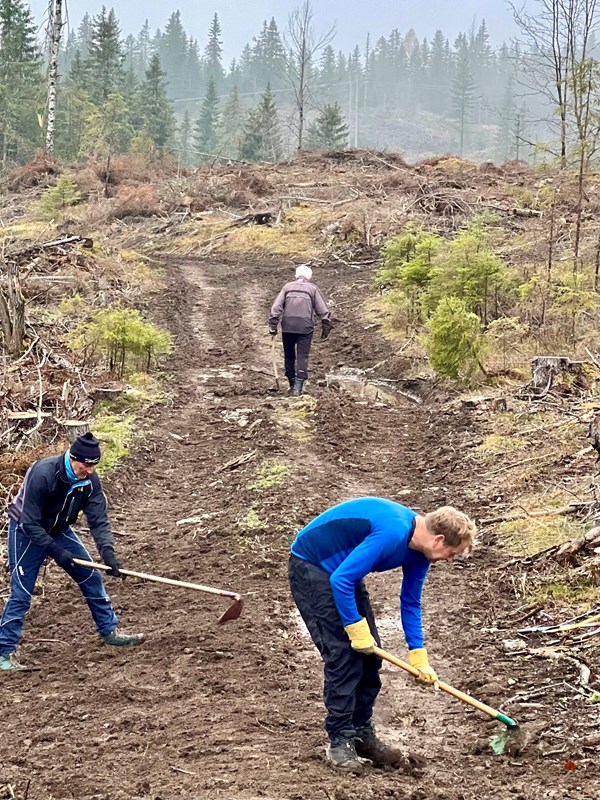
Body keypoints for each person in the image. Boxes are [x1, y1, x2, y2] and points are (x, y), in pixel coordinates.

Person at [288, 497, 476, 772]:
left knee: (370, 658)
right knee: (343, 657)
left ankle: (362, 733)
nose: (450, 559)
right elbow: (340, 580)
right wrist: (354, 626)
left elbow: (410, 602)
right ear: (438, 540)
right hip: (313, 566)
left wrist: (418, 655)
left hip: (343, 574)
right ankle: (340, 740)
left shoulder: (420, 553)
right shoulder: (392, 533)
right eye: (453, 552)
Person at [0, 432, 144, 671]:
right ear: (72, 457)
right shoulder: (44, 474)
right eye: (85, 465)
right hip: (26, 531)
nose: (89, 470)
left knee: (90, 576)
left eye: (93, 466)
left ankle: (110, 632)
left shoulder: (89, 481)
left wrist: (108, 553)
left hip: (58, 529)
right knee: (22, 592)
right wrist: (56, 552)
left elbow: (98, 520)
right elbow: (29, 522)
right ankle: (3, 652)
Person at [268, 264, 332, 396]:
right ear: (309, 277)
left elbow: (276, 307)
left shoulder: (287, 287)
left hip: (288, 326)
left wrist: (273, 325)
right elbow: (323, 310)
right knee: (302, 356)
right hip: (305, 327)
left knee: (289, 355)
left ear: (296, 276)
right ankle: (298, 388)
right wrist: (326, 325)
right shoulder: (313, 289)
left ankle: (291, 384)